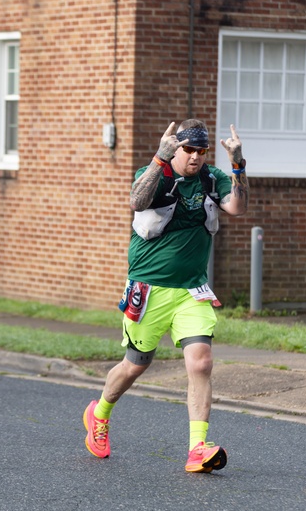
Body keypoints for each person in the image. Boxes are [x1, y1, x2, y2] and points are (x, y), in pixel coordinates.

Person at [83, 119, 248, 473]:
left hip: (192, 289)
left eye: (201, 151)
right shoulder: (155, 171)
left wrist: (237, 162)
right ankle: (99, 414)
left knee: (201, 361)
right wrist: (160, 158)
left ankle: (197, 449)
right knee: (135, 364)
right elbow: (136, 200)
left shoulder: (212, 178)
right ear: (176, 148)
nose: (195, 157)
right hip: (149, 287)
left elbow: (237, 207)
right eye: (189, 150)